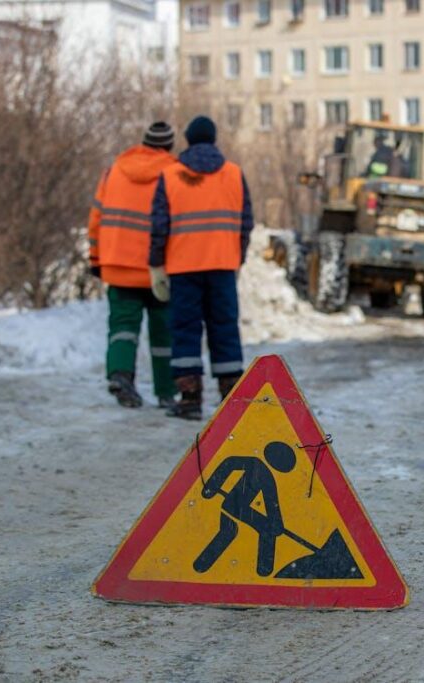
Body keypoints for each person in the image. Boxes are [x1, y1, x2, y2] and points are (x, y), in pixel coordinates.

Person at [149, 116, 253, 421]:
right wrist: (238, 258)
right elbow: (246, 223)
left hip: (183, 267)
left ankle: (190, 398)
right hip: (222, 264)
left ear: (189, 139)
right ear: (214, 138)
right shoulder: (233, 174)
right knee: (225, 328)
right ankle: (231, 397)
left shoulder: (170, 176)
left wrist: (156, 264)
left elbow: (159, 226)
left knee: (184, 330)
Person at [87, 122, 178, 409]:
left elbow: (96, 218)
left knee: (122, 327)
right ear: (169, 146)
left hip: (118, 263)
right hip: (159, 269)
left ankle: (121, 376)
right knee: (164, 331)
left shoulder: (114, 171)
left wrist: (95, 257)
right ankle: (166, 391)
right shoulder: (175, 173)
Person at [193, 442, 296, 577]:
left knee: (229, 532)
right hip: (235, 506)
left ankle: (200, 565)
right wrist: (211, 487)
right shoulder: (260, 470)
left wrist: (212, 487)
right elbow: (229, 463)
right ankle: (264, 568)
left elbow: (271, 504)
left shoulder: (261, 470)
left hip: (232, 505)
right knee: (264, 530)